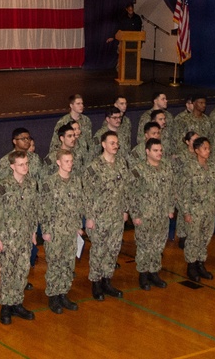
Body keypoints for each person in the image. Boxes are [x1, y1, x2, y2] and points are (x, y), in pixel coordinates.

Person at [0, 150, 38, 325]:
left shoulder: (31, 184)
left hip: (25, 236)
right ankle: (5, 306)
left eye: (26, 163)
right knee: (8, 272)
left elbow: (34, 210)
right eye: (21, 164)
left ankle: (17, 303)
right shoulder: (2, 187)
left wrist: (33, 232)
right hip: (7, 237)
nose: (25, 167)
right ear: (12, 166)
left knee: (22, 271)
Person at [83, 130, 129, 300]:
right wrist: (90, 217)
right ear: (103, 144)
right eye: (112, 143)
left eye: (117, 143)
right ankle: (96, 282)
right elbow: (87, 193)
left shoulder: (122, 164)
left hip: (116, 215)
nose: (115, 146)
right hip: (99, 216)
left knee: (113, 249)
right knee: (99, 249)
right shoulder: (94, 167)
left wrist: (125, 210)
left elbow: (126, 189)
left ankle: (107, 280)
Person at [39, 149, 84, 314]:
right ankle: (53, 295)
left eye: (71, 161)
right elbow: (44, 208)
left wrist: (79, 226)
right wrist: (46, 230)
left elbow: (79, 205)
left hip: (71, 229)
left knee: (68, 263)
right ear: (58, 162)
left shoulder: (76, 181)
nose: (70, 164)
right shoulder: (49, 183)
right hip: (55, 230)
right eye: (66, 161)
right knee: (55, 264)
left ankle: (64, 293)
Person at [129, 137, 175, 289]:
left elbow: (170, 190)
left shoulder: (166, 167)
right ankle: (143, 274)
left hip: (161, 215)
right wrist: (135, 215)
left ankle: (154, 272)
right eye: (155, 150)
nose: (159, 153)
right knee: (144, 245)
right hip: (145, 215)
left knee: (158, 245)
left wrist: (170, 209)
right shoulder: (138, 170)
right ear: (147, 151)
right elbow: (132, 193)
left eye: (160, 150)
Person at [178, 136, 215, 282]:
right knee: (193, 239)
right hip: (195, 210)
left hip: (209, 209)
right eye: (204, 148)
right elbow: (183, 191)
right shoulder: (189, 167)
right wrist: (186, 212)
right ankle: (191, 266)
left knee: (205, 238)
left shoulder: (212, 166)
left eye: (209, 148)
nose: (208, 151)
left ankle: (201, 263)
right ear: (196, 150)